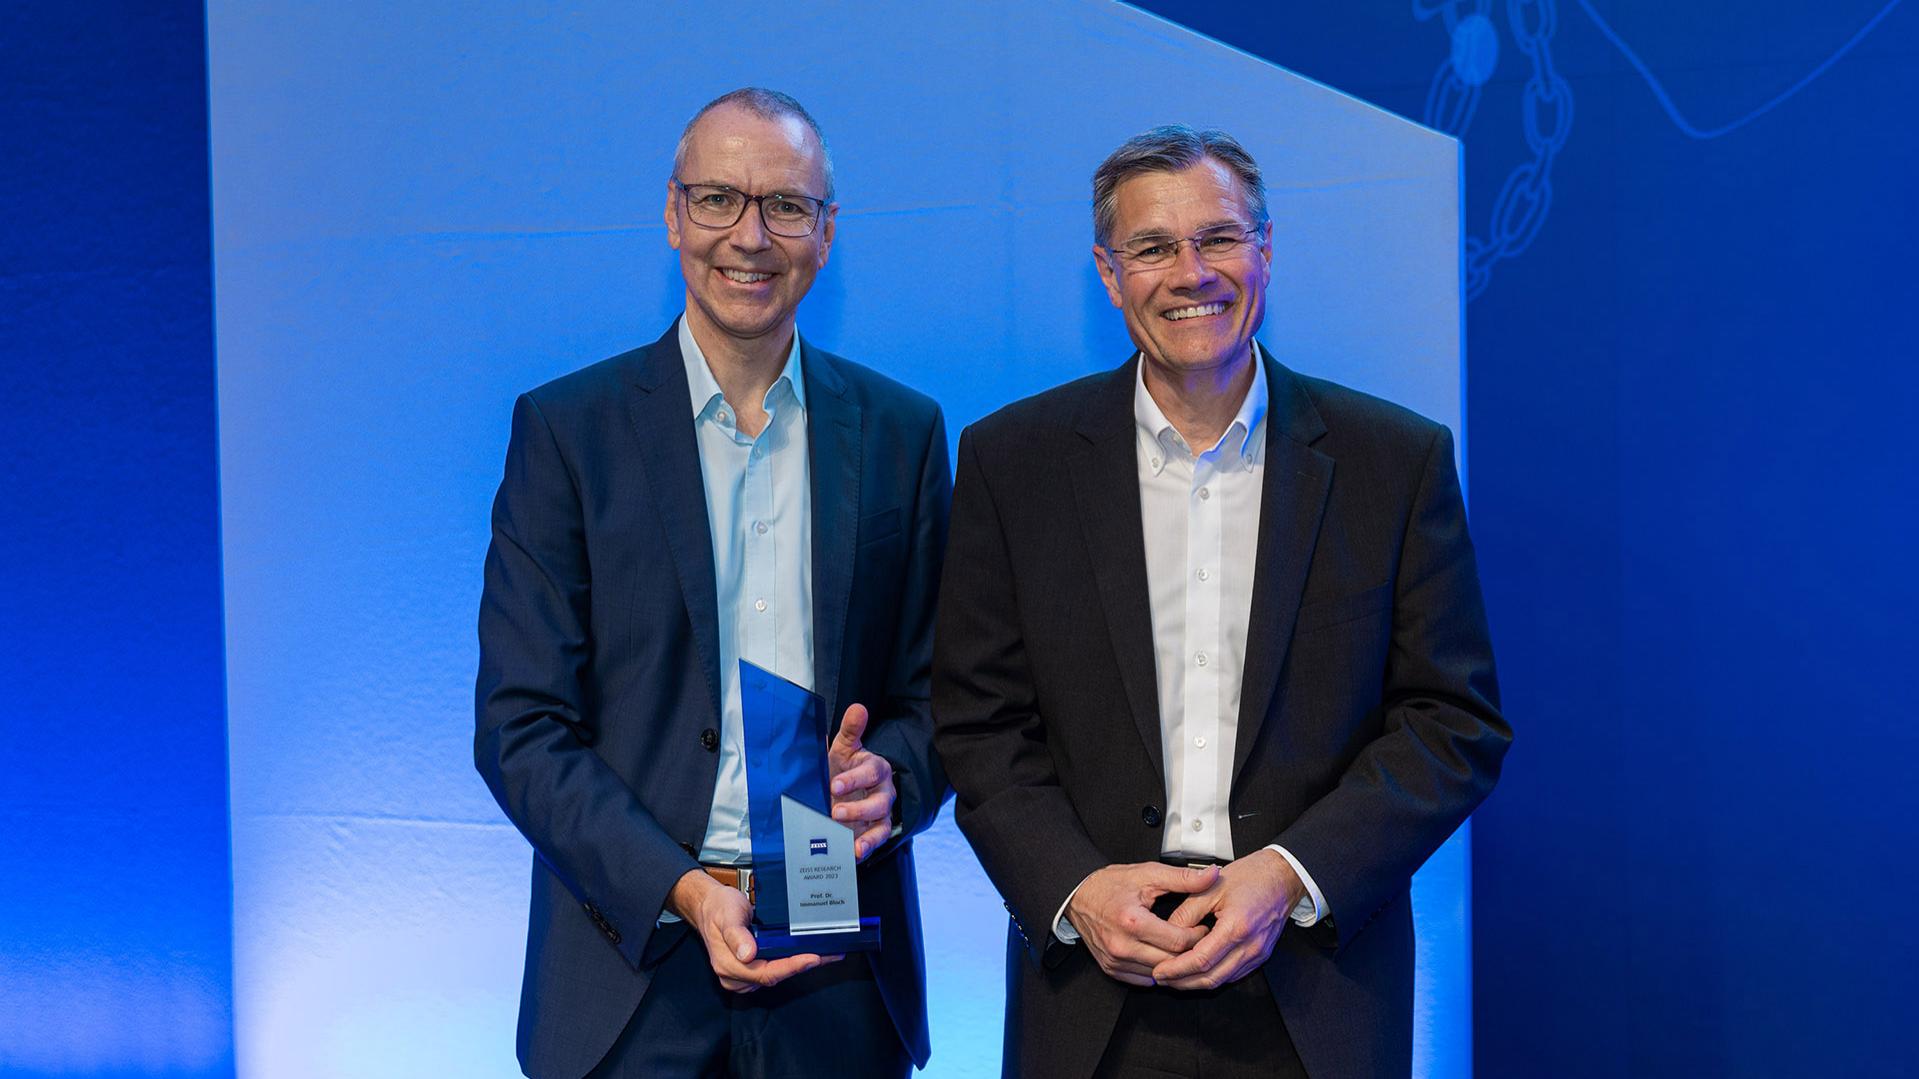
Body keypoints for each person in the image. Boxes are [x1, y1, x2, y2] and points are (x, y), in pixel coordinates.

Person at [932, 125, 1510, 1078]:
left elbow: (1452, 723)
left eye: (1220, 238)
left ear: (1266, 250)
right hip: (1090, 999)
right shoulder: (1012, 462)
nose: (1190, 272)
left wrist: (1286, 879)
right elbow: (978, 723)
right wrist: (1075, 889)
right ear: (1108, 274)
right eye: (1152, 248)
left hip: (1318, 992)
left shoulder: (1391, 463)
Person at [475, 88, 949, 1079]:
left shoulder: (902, 433)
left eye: (784, 205)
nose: (750, 235)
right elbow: (520, 727)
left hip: (840, 970)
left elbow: (943, 693)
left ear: (825, 231)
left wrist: (891, 781)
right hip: (628, 974)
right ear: (671, 213)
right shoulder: (569, 433)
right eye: (718, 199)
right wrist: (684, 887)